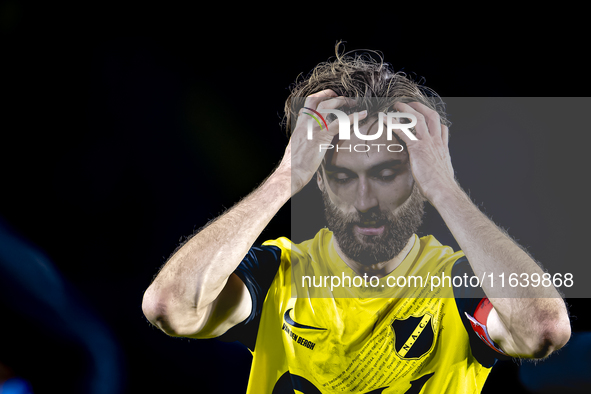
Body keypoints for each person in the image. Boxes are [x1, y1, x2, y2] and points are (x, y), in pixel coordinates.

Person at [142, 45, 571, 393]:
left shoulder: (458, 284)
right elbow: (170, 307)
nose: (365, 200)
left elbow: (543, 330)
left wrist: (447, 191)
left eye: (386, 174)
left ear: (419, 177)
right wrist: (283, 179)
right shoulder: (279, 274)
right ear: (321, 182)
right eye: (343, 176)